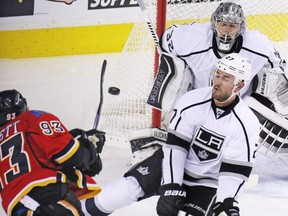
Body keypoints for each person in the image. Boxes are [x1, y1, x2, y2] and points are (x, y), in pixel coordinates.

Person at [81, 53, 260, 216]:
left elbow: (234, 171)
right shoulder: (192, 101)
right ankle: (77, 212)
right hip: (171, 164)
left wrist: (226, 200)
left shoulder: (247, 123)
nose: (217, 82)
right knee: (121, 191)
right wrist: (171, 185)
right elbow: (176, 148)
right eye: (217, 75)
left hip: (207, 183)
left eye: (226, 78)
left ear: (240, 85)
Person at [131, 0, 288, 166]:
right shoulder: (192, 38)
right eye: (223, 24)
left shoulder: (258, 45)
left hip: (241, 103)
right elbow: (166, 43)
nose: (227, 30)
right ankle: (171, 136)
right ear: (214, 24)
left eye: (232, 26)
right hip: (202, 101)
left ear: (241, 28)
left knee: (257, 137)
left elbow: (281, 65)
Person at [0, 89, 105, 216]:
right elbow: (69, 154)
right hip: (47, 197)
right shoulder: (31, 117)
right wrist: (89, 149)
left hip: (17, 209)